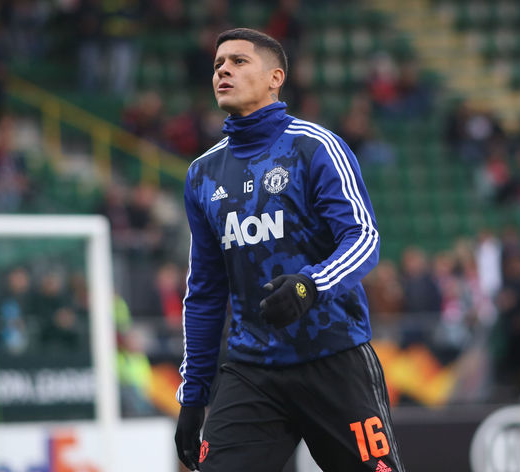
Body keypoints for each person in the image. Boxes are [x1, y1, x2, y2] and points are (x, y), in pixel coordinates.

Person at [174, 28, 406, 472]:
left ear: (275, 78)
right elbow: (204, 292)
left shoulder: (315, 147)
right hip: (252, 369)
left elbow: (363, 238)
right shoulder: (202, 174)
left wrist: (309, 285)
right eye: (218, 64)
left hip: (333, 358)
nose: (223, 70)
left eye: (239, 61)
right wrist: (194, 394)